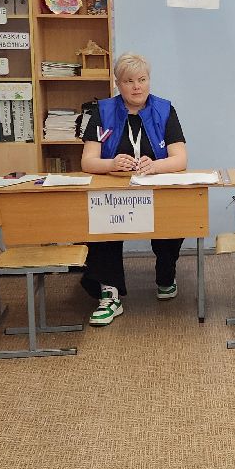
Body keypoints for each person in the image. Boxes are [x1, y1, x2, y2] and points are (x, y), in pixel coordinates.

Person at [79, 52, 189, 326]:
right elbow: (87, 161)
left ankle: (166, 275)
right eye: (129, 81)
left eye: (142, 79)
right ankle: (110, 293)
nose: (137, 87)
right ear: (118, 84)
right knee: (102, 225)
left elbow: (180, 159)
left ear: (149, 80)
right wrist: (111, 164)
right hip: (113, 195)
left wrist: (155, 166)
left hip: (156, 191)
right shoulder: (102, 111)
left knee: (176, 218)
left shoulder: (164, 110)